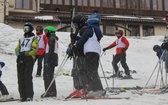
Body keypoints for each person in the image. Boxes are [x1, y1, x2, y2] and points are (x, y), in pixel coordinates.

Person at [73, 13, 105, 98]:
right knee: (91, 71)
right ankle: (95, 89)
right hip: (93, 51)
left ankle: (97, 90)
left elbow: (84, 38)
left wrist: (76, 46)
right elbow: (84, 38)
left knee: (91, 71)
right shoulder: (94, 29)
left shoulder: (90, 28)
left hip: (91, 52)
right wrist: (76, 40)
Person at [66, 13, 89, 98]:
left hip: (82, 53)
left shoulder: (85, 29)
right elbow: (75, 41)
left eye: (76, 24)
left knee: (81, 70)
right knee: (75, 71)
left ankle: (84, 87)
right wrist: (71, 46)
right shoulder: (78, 30)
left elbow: (84, 40)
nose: (75, 26)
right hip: (76, 52)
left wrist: (76, 39)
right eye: (74, 24)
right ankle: (78, 88)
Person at [15, 22, 38, 102]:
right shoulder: (21, 39)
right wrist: (18, 54)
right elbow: (17, 48)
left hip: (29, 58)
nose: (25, 30)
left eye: (27, 28)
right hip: (21, 58)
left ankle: (29, 95)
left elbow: (35, 49)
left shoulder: (34, 38)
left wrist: (27, 54)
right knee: (20, 78)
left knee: (27, 76)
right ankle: (22, 95)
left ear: (30, 29)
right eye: (24, 28)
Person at [41, 26, 58, 98]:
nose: (45, 33)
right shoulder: (53, 38)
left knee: (47, 75)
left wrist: (48, 60)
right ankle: (52, 91)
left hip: (50, 57)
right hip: (52, 57)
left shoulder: (51, 39)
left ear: (50, 32)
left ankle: (49, 91)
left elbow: (51, 49)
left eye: (46, 31)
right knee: (50, 75)